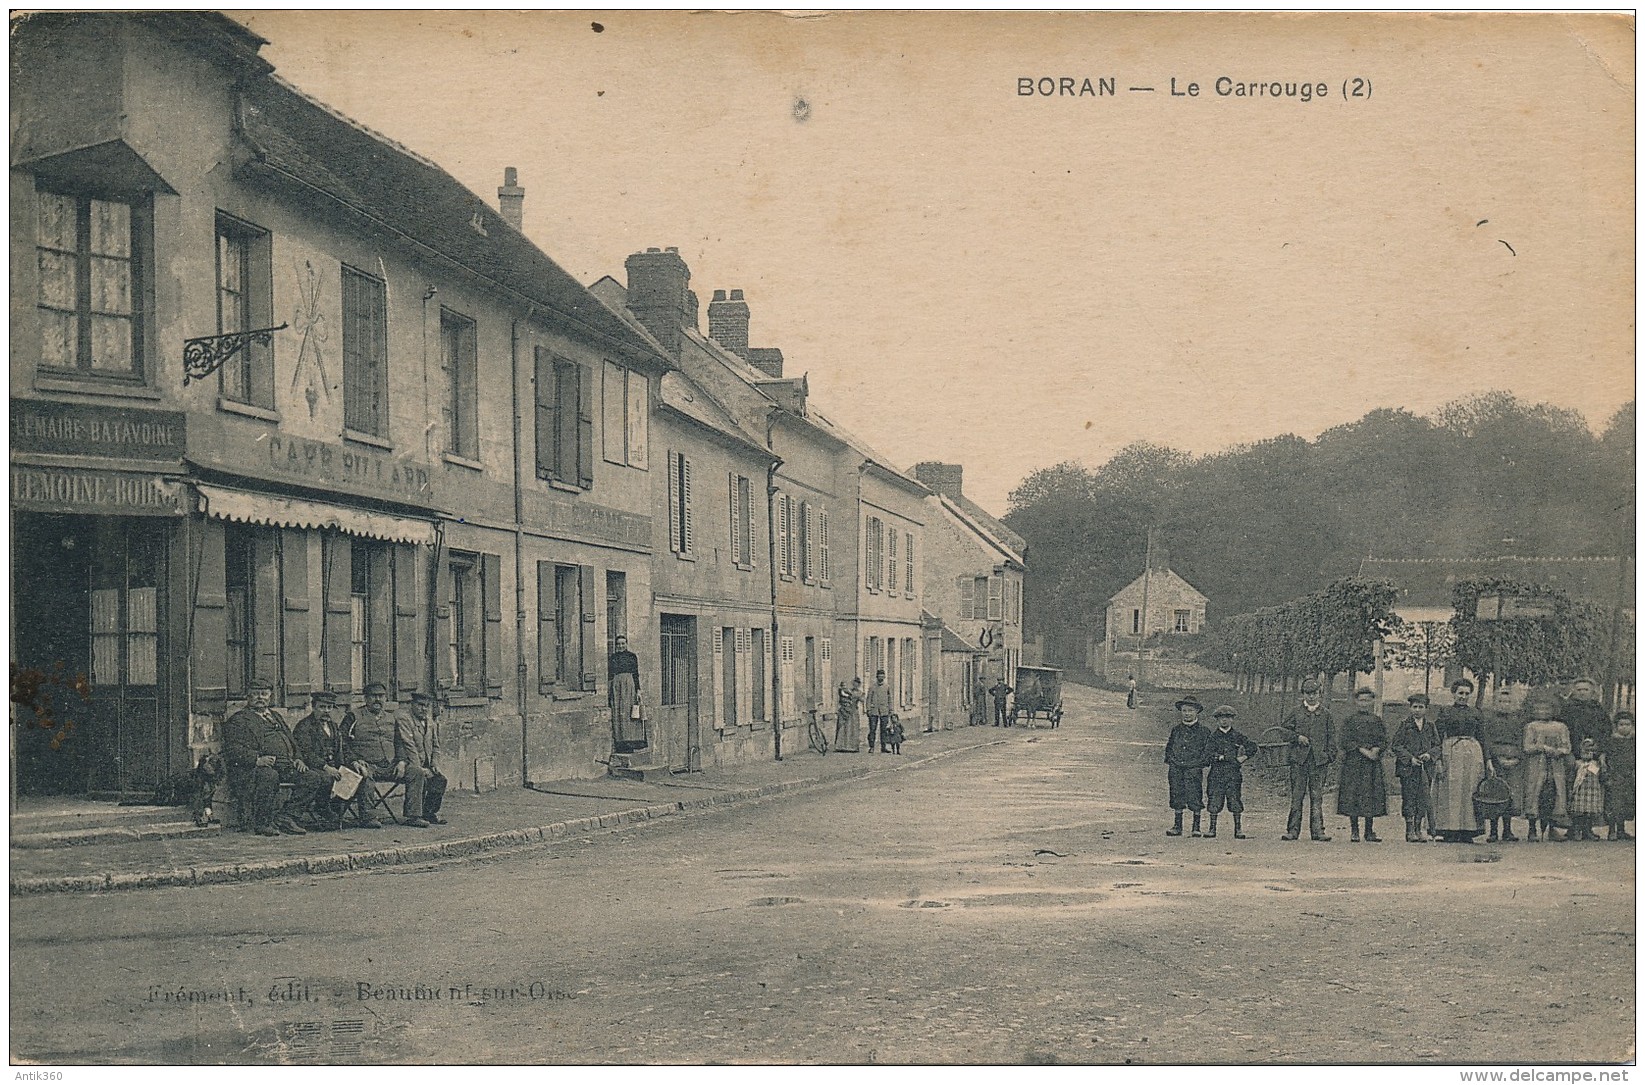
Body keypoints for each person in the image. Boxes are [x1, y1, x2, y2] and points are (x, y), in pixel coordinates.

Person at [222, 678, 332, 837]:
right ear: (248, 697)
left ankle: (287, 816)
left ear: (270, 696)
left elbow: (292, 741)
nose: (260, 698)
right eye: (255, 694)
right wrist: (257, 760)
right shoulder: (239, 720)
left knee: (312, 777)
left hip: (285, 766)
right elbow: (232, 749)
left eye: (264, 694)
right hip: (254, 769)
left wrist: (298, 758)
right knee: (269, 776)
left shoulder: (275, 716)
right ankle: (263, 822)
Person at [1432, 678, 1490, 843]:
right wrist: (1438, 760)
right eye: (1460, 693)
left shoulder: (1476, 713)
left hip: (1473, 753)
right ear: (1453, 694)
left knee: (1470, 789)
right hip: (1451, 752)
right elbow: (1437, 737)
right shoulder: (1445, 711)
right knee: (1451, 789)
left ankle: (1468, 830)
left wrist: (1488, 760)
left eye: (1467, 693)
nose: (1463, 696)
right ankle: (1449, 830)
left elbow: (1483, 737)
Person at [1279, 678, 1336, 842]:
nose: (1311, 697)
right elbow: (1283, 731)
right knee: (1297, 796)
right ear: (1303, 694)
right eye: (1308, 693)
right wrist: (1297, 737)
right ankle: (1292, 831)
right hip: (1299, 761)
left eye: (1315, 693)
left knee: (1317, 797)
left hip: (1318, 762)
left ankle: (1318, 831)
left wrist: (1329, 756)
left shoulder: (1326, 714)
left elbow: (1332, 737)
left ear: (1320, 694)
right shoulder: (1296, 712)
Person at [292, 689, 350, 830]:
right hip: (313, 767)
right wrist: (325, 767)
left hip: (331, 767)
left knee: (354, 778)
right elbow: (306, 753)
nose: (326, 711)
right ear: (313, 707)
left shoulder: (333, 726)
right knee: (326, 778)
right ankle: (322, 808)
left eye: (329, 707)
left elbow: (339, 751)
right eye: (322, 707)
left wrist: (344, 767)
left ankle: (335, 813)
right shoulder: (304, 726)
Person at [343, 682, 399, 829]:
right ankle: (368, 817)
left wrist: (403, 762)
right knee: (365, 776)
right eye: (373, 696)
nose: (377, 700)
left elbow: (401, 743)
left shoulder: (392, 718)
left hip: (390, 764)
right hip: (366, 764)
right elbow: (342, 743)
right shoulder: (353, 716)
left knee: (416, 772)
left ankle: (415, 815)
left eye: (381, 696)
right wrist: (354, 760)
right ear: (366, 699)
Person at [1337, 687, 1389, 843]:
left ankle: (1369, 830)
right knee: (1353, 795)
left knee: (1371, 795)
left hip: (1371, 765)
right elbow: (1345, 741)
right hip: (1354, 763)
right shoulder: (1350, 721)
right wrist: (1362, 750)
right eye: (1361, 700)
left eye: (1367, 700)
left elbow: (1383, 739)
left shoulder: (1377, 721)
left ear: (1372, 702)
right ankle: (1354, 830)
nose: (1364, 703)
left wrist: (1376, 749)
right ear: (1356, 701)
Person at [1520, 689, 1571, 842]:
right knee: (1535, 794)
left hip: (1555, 767)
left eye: (1547, 708)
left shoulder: (1561, 727)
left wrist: (1558, 751)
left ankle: (1551, 828)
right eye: (1539, 709)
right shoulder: (1531, 726)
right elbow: (1527, 747)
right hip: (1536, 766)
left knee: (1552, 795)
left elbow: (1567, 746)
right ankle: (1532, 829)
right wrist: (1542, 748)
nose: (1543, 712)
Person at [1390, 693, 1441, 842]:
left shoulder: (1430, 726)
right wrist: (1410, 759)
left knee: (1423, 799)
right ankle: (1410, 830)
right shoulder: (1405, 725)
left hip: (1426, 769)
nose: (1417, 710)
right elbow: (1396, 746)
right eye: (1415, 707)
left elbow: (1437, 745)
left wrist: (1429, 755)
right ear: (1410, 708)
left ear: (1426, 709)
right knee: (1409, 798)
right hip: (1408, 769)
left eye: (1421, 707)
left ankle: (1419, 829)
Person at [395, 691, 447, 827]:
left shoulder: (430, 722)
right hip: (407, 762)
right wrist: (421, 768)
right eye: (420, 705)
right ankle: (413, 816)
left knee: (439, 780)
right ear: (412, 704)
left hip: (425, 764)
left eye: (426, 706)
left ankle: (428, 813)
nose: (423, 709)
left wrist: (434, 764)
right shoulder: (405, 719)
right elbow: (408, 745)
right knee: (418, 775)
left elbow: (436, 746)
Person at [1205, 704, 1257, 839]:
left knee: (1235, 799)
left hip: (1233, 774)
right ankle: (1212, 828)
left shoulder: (1237, 736)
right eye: (1221, 718)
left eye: (1228, 718)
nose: (1224, 721)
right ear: (1217, 720)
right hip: (1216, 773)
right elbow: (1207, 754)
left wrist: (1243, 757)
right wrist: (1220, 757)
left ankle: (1238, 829)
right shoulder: (1213, 737)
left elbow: (1252, 747)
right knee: (1214, 799)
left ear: (1232, 719)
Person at [1163, 695, 1212, 837]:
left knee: (1194, 793)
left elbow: (1207, 751)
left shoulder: (1204, 731)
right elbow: (1170, 746)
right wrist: (1172, 761)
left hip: (1194, 767)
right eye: (1184, 710)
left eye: (1190, 711)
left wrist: (1199, 763)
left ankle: (1196, 827)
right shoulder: (1176, 730)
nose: (1187, 713)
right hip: (1177, 766)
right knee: (1176, 792)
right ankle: (1177, 826)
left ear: (1197, 712)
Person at [1482, 686, 1526, 842]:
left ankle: (1508, 830)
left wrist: (1517, 757)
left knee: (1510, 795)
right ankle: (1493, 831)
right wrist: (1495, 758)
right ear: (1495, 703)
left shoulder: (1517, 721)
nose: (1504, 704)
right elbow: (1486, 741)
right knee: (1495, 794)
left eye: (1508, 701)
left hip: (1514, 760)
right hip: (1496, 760)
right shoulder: (1489, 720)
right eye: (1501, 701)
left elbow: (1522, 741)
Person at [608, 635, 646, 753]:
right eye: (618, 644)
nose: (621, 646)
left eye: (623, 643)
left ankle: (631, 741)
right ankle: (621, 742)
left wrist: (638, 691)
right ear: (616, 645)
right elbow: (610, 675)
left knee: (630, 712)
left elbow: (636, 674)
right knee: (619, 712)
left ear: (626, 644)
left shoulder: (632, 656)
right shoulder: (613, 657)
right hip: (617, 686)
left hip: (629, 685)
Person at [1604, 710, 1635, 841]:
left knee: (1626, 803)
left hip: (1629, 776)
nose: (1624, 727)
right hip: (1615, 776)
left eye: (1627, 724)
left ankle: (1621, 830)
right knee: (1614, 804)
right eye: (1621, 724)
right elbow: (1605, 758)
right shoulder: (1612, 741)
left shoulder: (1634, 741)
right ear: (1616, 726)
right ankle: (1612, 830)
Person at [1569, 737, 1606, 841]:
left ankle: (1587, 831)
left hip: (1592, 791)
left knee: (1589, 812)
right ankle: (1576, 831)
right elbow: (1571, 777)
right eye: (1585, 750)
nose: (1588, 753)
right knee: (1579, 812)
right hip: (1580, 791)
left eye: (1591, 751)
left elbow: (1602, 776)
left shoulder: (1596, 764)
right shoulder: (1577, 764)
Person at [865, 669, 894, 753]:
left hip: (884, 711)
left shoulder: (887, 687)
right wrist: (868, 709)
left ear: (884, 677)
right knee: (872, 730)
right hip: (874, 712)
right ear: (877, 676)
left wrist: (890, 709)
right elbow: (868, 699)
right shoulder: (872, 687)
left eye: (882, 675)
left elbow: (890, 699)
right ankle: (871, 747)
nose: (881, 677)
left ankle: (883, 747)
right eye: (879, 675)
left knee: (884, 730)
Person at [834, 678, 863, 752]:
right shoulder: (848, 691)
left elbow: (862, 700)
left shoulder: (860, 692)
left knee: (853, 729)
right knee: (845, 728)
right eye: (854, 683)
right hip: (846, 711)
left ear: (859, 685)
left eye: (857, 684)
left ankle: (853, 746)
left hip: (854, 712)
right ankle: (843, 746)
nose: (856, 685)